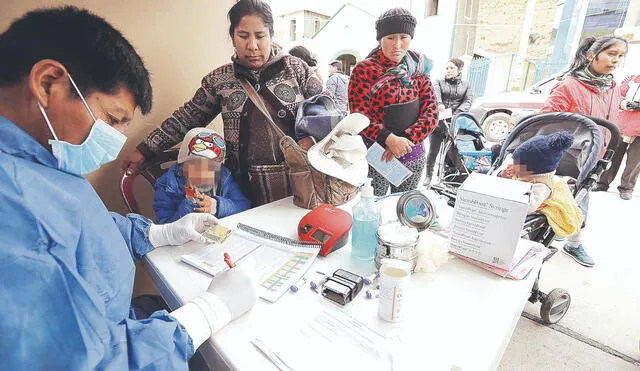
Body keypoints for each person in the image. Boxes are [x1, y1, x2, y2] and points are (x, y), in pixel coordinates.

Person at [0, 7, 257, 370]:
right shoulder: (13, 210)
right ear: (47, 83)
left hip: (131, 322)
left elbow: (84, 225)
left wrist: (158, 233)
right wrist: (207, 313)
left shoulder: (42, 161)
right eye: (114, 119)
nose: (117, 140)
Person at [123, 0, 323, 207]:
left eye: (260, 36)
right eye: (243, 36)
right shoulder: (219, 80)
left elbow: (327, 109)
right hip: (244, 193)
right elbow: (186, 117)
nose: (252, 46)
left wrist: (310, 136)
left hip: (299, 185)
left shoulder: (296, 69)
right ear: (233, 37)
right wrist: (145, 150)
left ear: (271, 35)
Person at [539, 35, 628, 267]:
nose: (616, 60)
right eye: (611, 54)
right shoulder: (568, 86)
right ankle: (542, 241)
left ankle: (573, 243)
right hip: (566, 156)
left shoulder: (611, 86)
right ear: (591, 55)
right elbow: (547, 120)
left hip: (595, 155)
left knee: (582, 197)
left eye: (620, 56)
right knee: (555, 198)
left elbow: (611, 118)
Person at [348, 7, 438, 196]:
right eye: (390, 38)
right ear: (380, 39)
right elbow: (358, 115)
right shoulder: (364, 70)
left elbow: (431, 111)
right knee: (373, 205)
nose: (397, 44)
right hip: (377, 155)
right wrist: (389, 139)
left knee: (403, 207)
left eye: (403, 37)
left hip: (412, 152)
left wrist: (406, 140)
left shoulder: (419, 69)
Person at [153, 127, 251, 223]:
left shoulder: (224, 177)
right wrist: (190, 203)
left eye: (211, 167)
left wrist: (218, 206)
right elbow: (165, 226)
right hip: (185, 236)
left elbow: (244, 205)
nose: (204, 173)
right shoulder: (167, 185)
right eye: (196, 165)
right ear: (182, 165)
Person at [498, 132, 584, 238]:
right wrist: (502, 175)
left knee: (517, 230)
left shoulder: (541, 185)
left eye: (518, 165)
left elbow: (529, 207)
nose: (513, 166)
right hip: (507, 203)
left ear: (532, 171)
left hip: (525, 209)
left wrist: (512, 190)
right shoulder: (524, 171)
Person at [424, 58, 474, 185]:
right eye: (447, 68)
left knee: (452, 151)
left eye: (452, 68)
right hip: (438, 122)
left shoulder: (466, 84)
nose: (449, 70)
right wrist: (439, 104)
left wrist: (456, 115)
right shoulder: (438, 82)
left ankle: (453, 174)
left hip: (454, 123)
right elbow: (435, 95)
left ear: (459, 70)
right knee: (433, 150)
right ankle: (428, 175)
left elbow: (468, 101)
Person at [597, 74, 640, 200]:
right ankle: (602, 182)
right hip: (622, 124)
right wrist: (625, 103)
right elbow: (618, 95)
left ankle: (626, 188)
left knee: (635, 162)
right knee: (612, 155)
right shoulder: (632, 79)